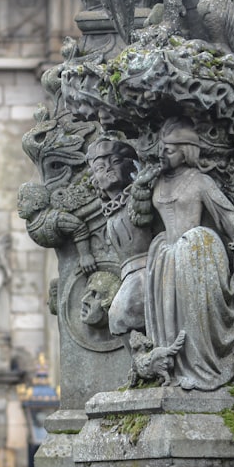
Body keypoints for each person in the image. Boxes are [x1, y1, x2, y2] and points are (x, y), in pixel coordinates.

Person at [131, 116, 234, 390]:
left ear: (186, 151)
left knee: (193, 319)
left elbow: (226, 214)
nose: (162, 154)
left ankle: (198, 367)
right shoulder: (158, 182)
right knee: (168, 317)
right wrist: (140, 187)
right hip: (164, 257)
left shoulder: (200, 182)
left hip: (196, 253)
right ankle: (172, 367)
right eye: (161, 148)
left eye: (169, 149)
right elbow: (142, 218)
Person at [86, 137, 156, 336]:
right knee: (118, 320)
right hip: (129, 274)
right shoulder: (111, 211)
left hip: (147, 271)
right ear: (95, 179)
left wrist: (141, 186)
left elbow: (144, 214)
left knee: (119, 319)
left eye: (115, 162)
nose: (108, 168)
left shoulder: (135, 196)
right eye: (100, 167)